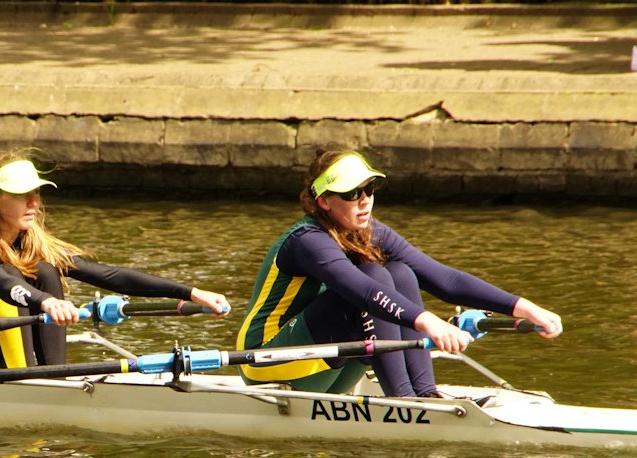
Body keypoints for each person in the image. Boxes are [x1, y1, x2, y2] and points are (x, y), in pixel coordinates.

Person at [236, 148, 562, 398]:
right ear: (323, 202)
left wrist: (525, 307)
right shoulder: (307, 241)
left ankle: (424, 395)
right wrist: (429, 322)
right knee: (376, 278)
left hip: (326, 360)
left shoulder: (370, 231)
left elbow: (443, 279)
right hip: (268, 362)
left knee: (401, 272)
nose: (364, 201)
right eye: (351, 194)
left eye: (370, 189)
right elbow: (362, 290)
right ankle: (403, 402)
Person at [0, 149, 229, 371]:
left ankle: (55, 376)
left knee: (44, 270)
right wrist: (45, 303)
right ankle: (32, 380)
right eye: (21, 195)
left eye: (36, 193)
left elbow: (108, 275)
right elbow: (2, 284)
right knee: (13, 274)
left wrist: (189, 292)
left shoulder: (31, 243)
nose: (33, 202)